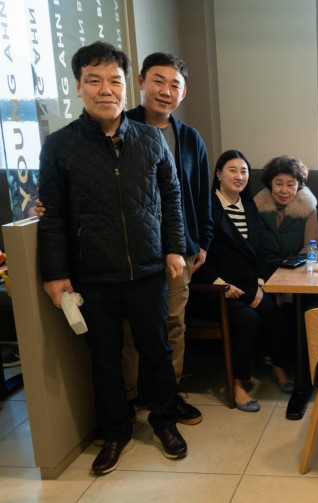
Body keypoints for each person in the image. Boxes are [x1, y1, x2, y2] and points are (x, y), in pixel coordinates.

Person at [37, 41, 188, 475]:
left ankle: (164, 422)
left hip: (148, 270)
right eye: (94, 80)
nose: (106, 90)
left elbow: (172, 197)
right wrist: (55, 272)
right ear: (79, 87)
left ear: (126, 87)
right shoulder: (60, 146)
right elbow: (53, 214)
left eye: (114, 81)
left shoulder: (150, 138)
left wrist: (174, 247)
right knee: (104, 359)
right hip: (93, 274)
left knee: (156, 352)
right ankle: (115, 431)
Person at [121, 51, 212, 425]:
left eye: (175, 85)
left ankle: (167, 396)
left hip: (180, 249)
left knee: (174, 324)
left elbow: (201, 195)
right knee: (131, 330)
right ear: (141, 82)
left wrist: (202, 241)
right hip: (131, 251)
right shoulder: (118, 128)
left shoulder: (189, 138)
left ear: (183, 93)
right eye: (158, 81)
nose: (165, 90)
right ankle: (128, 398)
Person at [190, 150, 294, 412]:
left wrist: (259, 284)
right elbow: (197, 255)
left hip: (247, 286)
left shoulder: (248, 206)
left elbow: (260, 251)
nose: (239, 176)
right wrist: (219, 284)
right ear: (218, 174)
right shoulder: (206, 207)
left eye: (244, 171)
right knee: (248, 319)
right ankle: (237, 384)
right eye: (233, 170)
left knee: (273, 311)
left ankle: (278, 367)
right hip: (214, 289)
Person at [253, 155, 318, 271]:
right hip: (263, 269)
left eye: (290, 185)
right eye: (278, 184)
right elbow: (253, 246)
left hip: (297, 269)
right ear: (270, 183)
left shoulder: (309, 209)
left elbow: (309, 247)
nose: (284, 190)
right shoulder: (256, 207)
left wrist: (290, 267)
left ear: (298, 185)